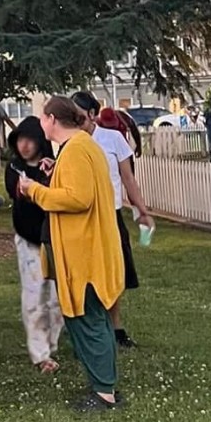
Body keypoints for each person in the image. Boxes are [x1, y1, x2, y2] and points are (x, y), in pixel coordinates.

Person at [14, 96, 125, 412]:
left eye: (42, 119)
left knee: (87, 319)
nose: (40, 125)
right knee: (93, 319)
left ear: (51, 119)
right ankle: (105, 387)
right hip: (88, 249)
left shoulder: (76, 149)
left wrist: (34, 190)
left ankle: (104, 394)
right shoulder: (80, 147)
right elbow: (78, 185)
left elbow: (78, 198)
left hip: (83, 253)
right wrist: (55, 171)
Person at [72, 93, 155, 349]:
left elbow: (128, 178)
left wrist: (142, 209)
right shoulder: (70, 141)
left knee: (115, 273)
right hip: (83, 218)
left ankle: (116, 327)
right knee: (86, 275)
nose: (75, 119)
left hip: (110, 215)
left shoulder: (112, 138)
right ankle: (89, 328)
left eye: (79, 113)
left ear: (92, 113)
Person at [4, 116, 64, 373]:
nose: (25, 146)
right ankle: (40, 353)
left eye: (30, 140)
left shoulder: (54, 166)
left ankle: (52, 342)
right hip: (29, 240)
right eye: (20, 140)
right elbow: (19, 193)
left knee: (56, 298)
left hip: (54, 239)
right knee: (34, 295)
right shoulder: (14, 169)